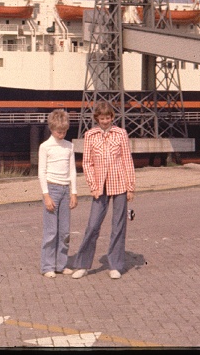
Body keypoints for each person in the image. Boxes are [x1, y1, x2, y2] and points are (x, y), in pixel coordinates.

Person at [69, 101, 136, 280]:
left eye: (108, 118)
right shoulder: (90, 135)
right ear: (96, 118)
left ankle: (115, 265)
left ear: (112, 118)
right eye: (101, 118)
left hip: (120, 183)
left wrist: (130, 187)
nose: (105, 121)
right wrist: (93, 185)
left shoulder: (121, 133)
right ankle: (83, 264)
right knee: (92, 225)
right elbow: (87, 163)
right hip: (100, 187)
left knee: (118, 225)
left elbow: (127, 161)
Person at [37, 109, 79, 278]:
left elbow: (72, 170)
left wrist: (74, 192)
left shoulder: (69, 146)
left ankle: (61, 264)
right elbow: (41, 172)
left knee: (65, 232)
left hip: (65, 190)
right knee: (51, 231)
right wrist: (46, 195)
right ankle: (47, 266)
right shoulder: (45, 147)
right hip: (52, 189)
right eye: (58, 131)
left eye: (64, 131)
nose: (61, 134)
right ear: (51, 129)